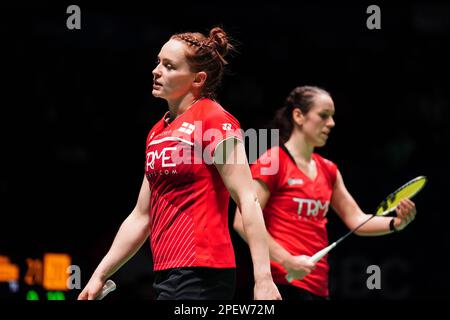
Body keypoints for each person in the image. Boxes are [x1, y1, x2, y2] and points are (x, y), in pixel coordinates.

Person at [78, 27, 281, 300]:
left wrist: (263, 279)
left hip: (203, 271)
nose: (156, 70)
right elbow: (141, 215)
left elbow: (247, 198)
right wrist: (100, 274)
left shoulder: (213, 119)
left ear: (197, 79)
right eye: (158, 61)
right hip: (166, 272)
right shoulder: (157, 132)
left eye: (169, 66)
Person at [233, 85, 417, 300]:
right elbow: (242, 221)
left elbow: (356, 220)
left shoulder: (328, 170)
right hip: (281, 283)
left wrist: (395, 224)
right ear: (299, 116)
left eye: (332, 117)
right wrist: (286, 260)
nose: (331, 123)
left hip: (317, 285)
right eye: (323, 116)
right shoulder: (272, 161)